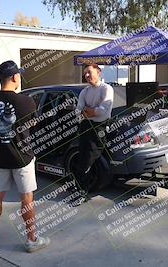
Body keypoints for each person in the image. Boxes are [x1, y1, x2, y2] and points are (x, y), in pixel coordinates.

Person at [0, 60, 50, 253]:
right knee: (27, 199)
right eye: (18, 74)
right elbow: (32, 125)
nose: (19, 77)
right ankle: (31, 240)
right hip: (22, 158)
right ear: (14, 77)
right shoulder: (27, 101)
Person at [70, 63, 114, 206]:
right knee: (83, 158)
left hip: (99, 128)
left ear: (99, 72)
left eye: (89, 72)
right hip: (85, 127)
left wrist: (87, 111)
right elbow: (78, 111)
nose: (87, 76)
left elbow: (103, 111)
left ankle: (82, 191)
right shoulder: (84, 91)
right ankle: (79, 188)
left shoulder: (106, 89)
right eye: (85, 74)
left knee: (88, 159)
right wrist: (90, 111)